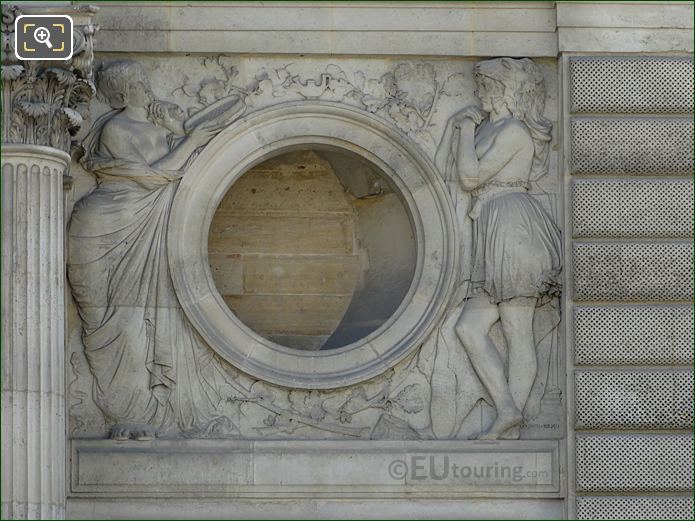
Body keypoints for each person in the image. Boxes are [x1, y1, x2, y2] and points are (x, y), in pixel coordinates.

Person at [68, 60, 240, 440]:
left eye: (145, 82)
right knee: (108, 325)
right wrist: (190, 140)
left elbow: (180, 167)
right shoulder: (116, 127)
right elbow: (159, 174)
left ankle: (141, 411)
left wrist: (179, 131)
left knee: (136, 325)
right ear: (124, 94)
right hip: (106, 227)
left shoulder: (152, 126)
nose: (147, 88)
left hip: (141, 226)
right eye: (139, 84)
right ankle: (124, 409)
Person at [434, 57, 561, 440]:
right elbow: (443, 170)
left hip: (512, 224)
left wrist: (467, 127)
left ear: (508, 90)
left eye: (488, 86)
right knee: (469, 328)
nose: (482, 93)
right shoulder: (488, 126)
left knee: (517, 327)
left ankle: (511, 424)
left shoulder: (514, 132)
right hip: (490, 227)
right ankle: (506, 409)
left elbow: (470, 177)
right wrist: (455, 131)